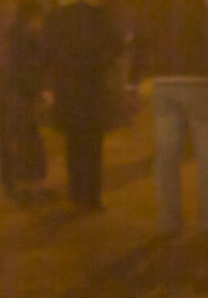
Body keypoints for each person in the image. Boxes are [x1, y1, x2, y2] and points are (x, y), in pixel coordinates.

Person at [131, 0, 208, 238]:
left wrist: (132, 83)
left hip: (164, 82)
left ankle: (169, 219)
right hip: (199, 80)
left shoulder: (148, 6)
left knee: (166, 155)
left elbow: (139, 42)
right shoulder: (196, 3)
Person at [44, 0, 125, 210]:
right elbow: (117, 45)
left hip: (66, 86)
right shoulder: (97, 17)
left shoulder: (56, 18)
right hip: (92, 84)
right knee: (93, 142)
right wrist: (101, 62)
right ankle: (92, 194)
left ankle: (76, 190)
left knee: (73, 141)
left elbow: (45, 52)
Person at [0, 0, 47, 199]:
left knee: (12, 130)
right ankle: (23, 183)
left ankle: (14, 181)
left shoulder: (1, 11)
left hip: (8, 77)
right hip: (15, 79)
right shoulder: (11, 14)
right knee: (21, 131)